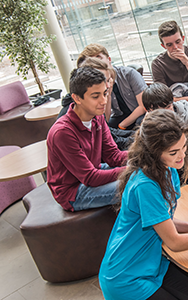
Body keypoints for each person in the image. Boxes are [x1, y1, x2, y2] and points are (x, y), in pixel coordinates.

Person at [98, 109, 188, 300]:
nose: (182, 156)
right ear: (153, 153)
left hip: (152, 261)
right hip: (126, 276)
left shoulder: (168, 170)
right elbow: (173, 241)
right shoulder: (145, 185)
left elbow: (162, 220)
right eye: (173, 152)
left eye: (183, 147)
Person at [47, 67, 128, 211]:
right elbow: (90, 178)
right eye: (95, 96)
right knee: (138, 184)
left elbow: (113, 156)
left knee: (148, 170)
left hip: (92, 171)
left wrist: (143, 154)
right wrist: (131, 169)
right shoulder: (62, 133)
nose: (104, 101)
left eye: (105, 93)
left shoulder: (97, 117)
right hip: (73, 191)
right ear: (77, 98)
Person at [57, 57, 134, 150]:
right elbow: (112, 145)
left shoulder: (95, 113)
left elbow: (111, 143)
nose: (108, 85)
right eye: (104, 80)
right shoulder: (64, 131)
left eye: (108, 80)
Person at [77, 43, 147, 130]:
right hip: (119, 116)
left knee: (140, 123)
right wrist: (108, 94)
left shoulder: (129, 74)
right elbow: (104, 119)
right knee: (103, 128)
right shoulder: (97, 84)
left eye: (99, 58)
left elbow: (143, 106)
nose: (97, 63)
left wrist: (122, 125)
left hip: (138, 114)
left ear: (109, 59)